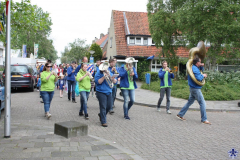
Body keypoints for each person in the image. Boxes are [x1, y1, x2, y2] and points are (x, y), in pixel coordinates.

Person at [177, 58, 211, 124]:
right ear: (197, 62)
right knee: (202, 103)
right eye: (200, 62)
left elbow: (199, 72)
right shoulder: (194, 68)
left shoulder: (195, 68)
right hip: (196, 89)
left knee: (189, 102)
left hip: (193, 88)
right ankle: (204, 119)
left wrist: (201, 67)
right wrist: (203, 75)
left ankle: (180, 114)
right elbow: (198, 78)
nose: (201, 63)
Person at [95, 62, 117, 127]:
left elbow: (115, 81)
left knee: (109, 106)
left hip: (109, 91)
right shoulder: (98, 74)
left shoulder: (109, 72)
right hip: (101, 92)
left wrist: (113, 79)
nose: (104, 69)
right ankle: (103, 121)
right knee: (103, 106)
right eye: (103, 69)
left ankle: (101, 115)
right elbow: (98, 82)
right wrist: (104, 77)